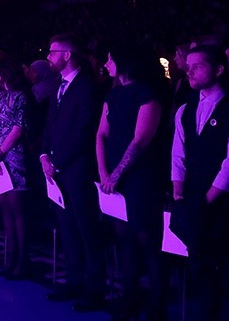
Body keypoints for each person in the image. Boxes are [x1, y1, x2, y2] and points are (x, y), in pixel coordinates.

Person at [170, 45, 229, 320]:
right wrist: (179, 195)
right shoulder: (184, 111)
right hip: (192, 201)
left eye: (198, 65)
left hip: (224, 205)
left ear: (218, 69)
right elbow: (178, 155)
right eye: (187, 65)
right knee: (199, 268)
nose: (189, 70)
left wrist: (203, 202)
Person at [96, 45, 166, 320]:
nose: (106, 63)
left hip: (141, 177)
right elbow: (101, 133)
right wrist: (103, 172)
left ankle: (157, 306)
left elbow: (141, 140)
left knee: (147, 239)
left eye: (110, 58)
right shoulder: (113, 93)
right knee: (123, 237)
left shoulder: (148, 94)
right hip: (114, 178)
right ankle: (130, 297)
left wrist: (115, 174)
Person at [41, 33, 106, 312]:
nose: (49, 57)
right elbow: (49, 124)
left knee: (85, 228)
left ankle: (95, 289)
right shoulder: (58, 85)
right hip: (56, 168)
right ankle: (74, 280)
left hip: (77, 169)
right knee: (66, 227)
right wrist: (44, 154)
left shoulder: (87, 87)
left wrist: (60, 160)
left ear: (67, 55)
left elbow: (85, 130)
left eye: (53, 52)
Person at [0, 56, 33, 279]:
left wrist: (1, 150)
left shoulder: (21, 97)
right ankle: (10, 258)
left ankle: (22, 261)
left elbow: (18, 127)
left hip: (14, 156)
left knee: (18, 212)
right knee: (5, 209)